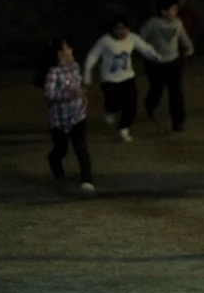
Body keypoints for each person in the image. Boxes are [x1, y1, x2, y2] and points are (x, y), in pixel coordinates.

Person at [82, 15, 163, 142]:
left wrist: (156, 57)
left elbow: (145, 48)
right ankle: (109, 110)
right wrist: (87, 76)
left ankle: (124, 129)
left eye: (123, 28)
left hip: (128, 78)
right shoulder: (105, 41)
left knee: (131, 105)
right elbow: (92, 56)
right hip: (110, 80)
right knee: (114, 103)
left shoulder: (132, 38)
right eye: (117, 29)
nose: (120, 32)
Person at [37, 37, 94, 194]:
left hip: (77, 117)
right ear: (60, 54)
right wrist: (70, 94)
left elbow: (78, 87)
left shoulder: (75, 67)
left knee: (81, 148)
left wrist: (83, 97)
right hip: (59, 121)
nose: (71, 51)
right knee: (61, 149)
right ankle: (54, 161)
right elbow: (49, 94)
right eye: (68, 48)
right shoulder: (53, 72)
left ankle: (87, 180)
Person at [140, 0, 195, 133]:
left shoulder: (177, 23)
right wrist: (148, 53)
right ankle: (150, 105)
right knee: (156, 89)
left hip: (173, 62)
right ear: (163, 11)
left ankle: (178, 122)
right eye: (172, 9)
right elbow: (140, 40)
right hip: (155, 63)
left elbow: (184, 38)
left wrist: (189, 48)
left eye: (176, 9)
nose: (175, 12)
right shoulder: (152, 23)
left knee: (176, 92)